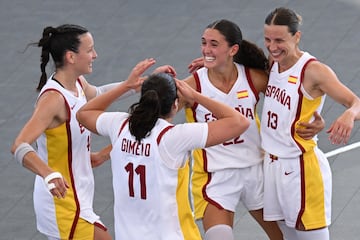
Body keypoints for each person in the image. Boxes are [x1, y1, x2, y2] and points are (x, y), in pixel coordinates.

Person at [76, 58, 251, 240]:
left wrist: (127, 86)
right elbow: (239, 122)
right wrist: (195, 96)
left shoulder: (119, 125)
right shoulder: (174, 138)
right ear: (175, 104)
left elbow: (84, 113)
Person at [185, 19, 325, 240]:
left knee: (285, 238)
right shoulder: (192, 87)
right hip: (215, 176)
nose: (206, 50)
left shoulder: (253, 78)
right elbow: (157, 109)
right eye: (204, 43)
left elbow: (291, 98)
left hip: (257, 170)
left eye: (214, 44)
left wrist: (317, 121)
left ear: (233, 50)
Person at [10, 24, 142, 240]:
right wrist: (48, 173)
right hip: (61, 204)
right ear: (71, 57)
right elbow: (19, 145)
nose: (95, 55)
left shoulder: (77, 83)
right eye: (90, 50)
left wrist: (136, 85)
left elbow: (98, 94)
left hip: (78, 198)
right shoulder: (53, 99)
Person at [260, 7, 360, 240]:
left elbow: (355, 101)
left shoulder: (313, 70)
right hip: (273, 164)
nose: (272, 47)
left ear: (297, 36)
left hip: (300, 167)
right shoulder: (274, 62)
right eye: (267, 39)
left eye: (279, 40)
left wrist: (349, 114)